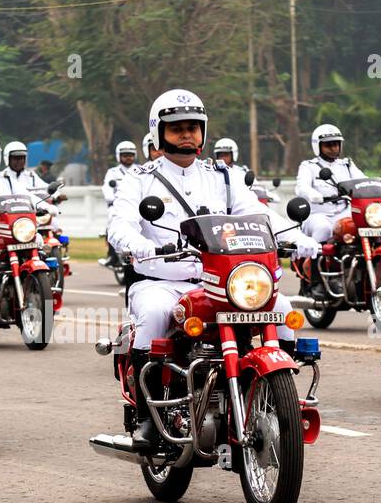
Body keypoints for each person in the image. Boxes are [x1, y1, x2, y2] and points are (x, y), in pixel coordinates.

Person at [107, 88, 318, 447]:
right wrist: (143, 245)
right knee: (156, 314)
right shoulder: (139, 179)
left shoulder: (223, 176)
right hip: (163, 279)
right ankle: (147, 420)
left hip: (221, 282)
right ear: (159, 133)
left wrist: (297, 237)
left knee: (280, 308)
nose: (186, 134)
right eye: (177, 128)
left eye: (193, 126)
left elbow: (257, 213)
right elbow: (119, 225)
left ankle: (275, 399)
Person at [295, 124, 367, 298]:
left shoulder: (347, 165)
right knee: (323, 229)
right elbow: (301, 187)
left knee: (365, 228)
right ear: (318, 146)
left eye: (336, 144)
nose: (333, 148)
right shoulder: (309, 166)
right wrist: (313, 194)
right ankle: (317, 283)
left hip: (343, 212)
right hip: (318, 214)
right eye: (328, 145)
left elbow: (363, 180)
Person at [102, 141, 138, 207]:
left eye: (131, 155)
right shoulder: (112, 172)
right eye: (125, 155)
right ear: (118, 156)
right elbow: (107, 189)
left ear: (135, 155)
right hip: (118, 207)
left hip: (137, 206)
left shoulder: (141, 171)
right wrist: (112, 203)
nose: (128, 158)